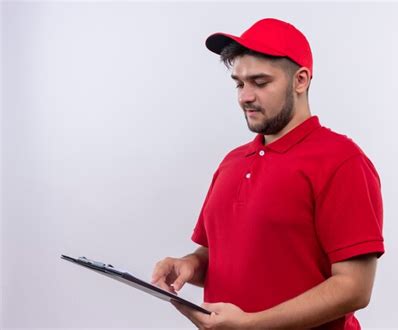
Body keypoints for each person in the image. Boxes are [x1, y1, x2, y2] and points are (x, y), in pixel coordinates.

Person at [151, 18, 385, 329]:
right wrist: (189, 266)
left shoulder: (342, 161)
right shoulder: (232, 162)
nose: (244, 96)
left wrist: (251, 324)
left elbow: (354, 288)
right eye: (239, 83)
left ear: (300, 80)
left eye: (260, 83)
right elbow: (217, 255)